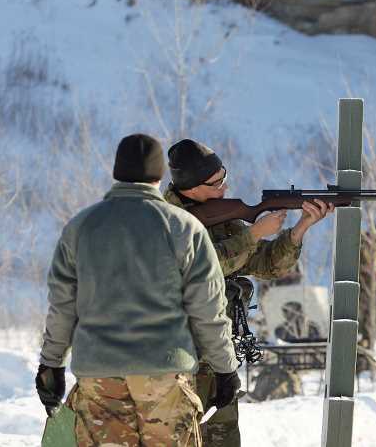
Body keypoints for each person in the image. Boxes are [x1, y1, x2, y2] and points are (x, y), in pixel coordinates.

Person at [35, 134, 239, 447]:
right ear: (160, 177)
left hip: (99, 377)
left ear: (117, 173)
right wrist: (226, 368)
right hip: (166, 376)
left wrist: (51, 365)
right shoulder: (185, 227)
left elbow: (63, 306)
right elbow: (208, 309)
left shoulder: (81, 227)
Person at [164, 138, 333, 447]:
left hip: (219, 356)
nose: (224, 188)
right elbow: (198, 266)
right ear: (190, 188)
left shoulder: (219, 216)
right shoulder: (165, 220)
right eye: (216, 183)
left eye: (224, 177)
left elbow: (265, 264)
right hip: (178, 361)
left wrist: (299, 229)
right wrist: (254, 232)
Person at [358, 224, 376, 356]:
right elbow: (359, 265)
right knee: (365, 318)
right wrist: (369, 270)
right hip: (363, 287)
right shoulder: (363, 244)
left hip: (374, 287)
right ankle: (365, 346)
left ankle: (369, 345)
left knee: (375, 317)